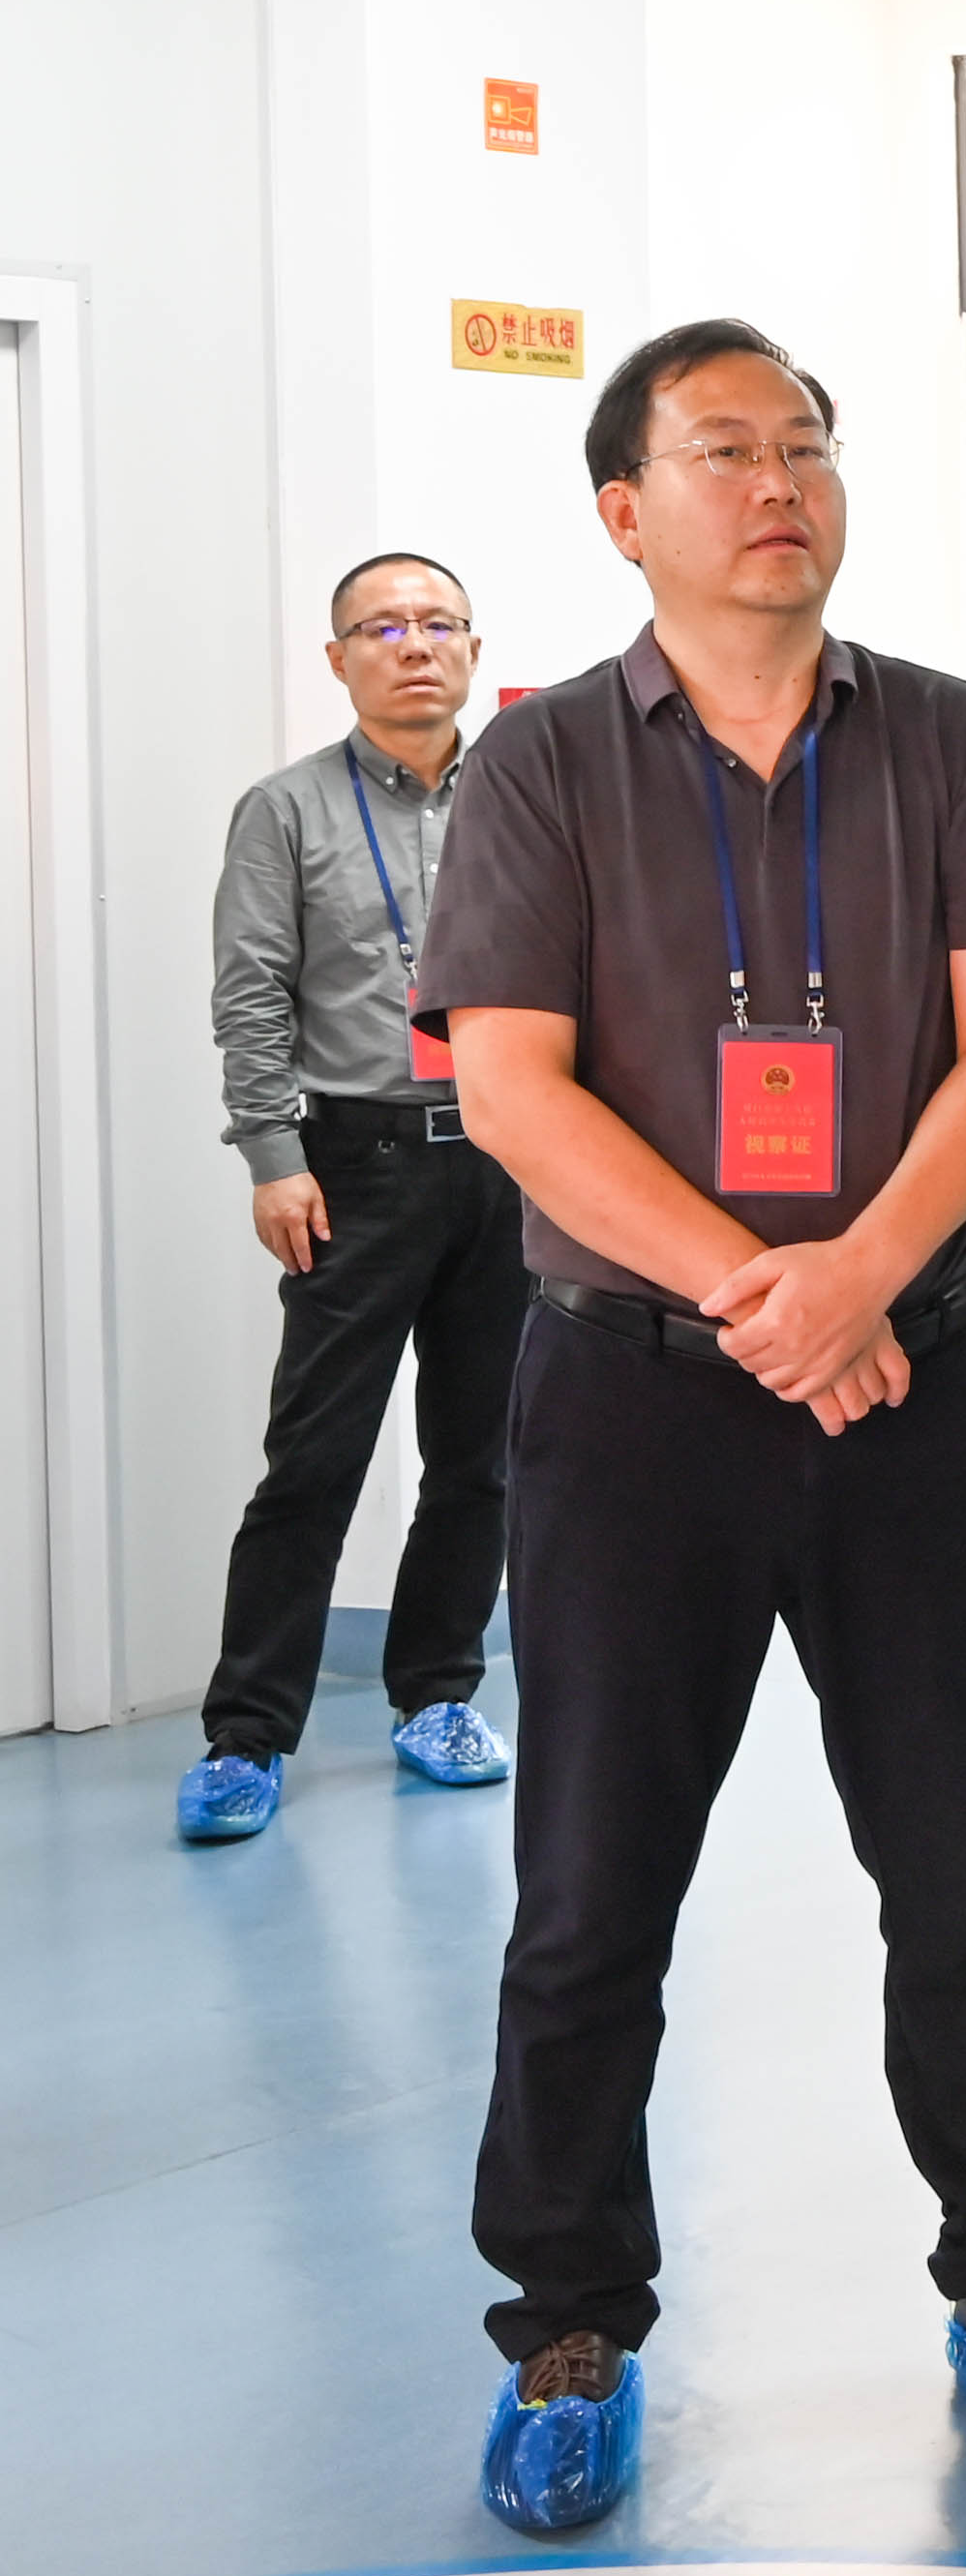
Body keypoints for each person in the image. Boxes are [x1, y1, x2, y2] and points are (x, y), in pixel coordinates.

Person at [425, 317, 966, 2538]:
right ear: (625, 510)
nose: (776, 480)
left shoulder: (945, 737)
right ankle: (568, 2321)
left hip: (911, 1387)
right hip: (635, 1403)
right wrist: (764, 1288)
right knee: (588, 1888)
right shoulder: (543, 765)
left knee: (956, 1858)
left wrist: (856, 1281)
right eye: (722, 448)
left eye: (804, 441)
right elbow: (511, 1085)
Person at [187, 553, 525, 1841]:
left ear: (474, 649)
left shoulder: (527, 796)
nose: (414, 645)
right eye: (383, 627)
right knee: (315, 1458)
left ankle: (437, 1693)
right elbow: (249, 991)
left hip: (510, 1161)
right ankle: (246, 1735)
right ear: (338, 659)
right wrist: (273, 1154)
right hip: (356, 1169)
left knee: (480, 1455)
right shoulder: (285, 809)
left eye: (439, 623)